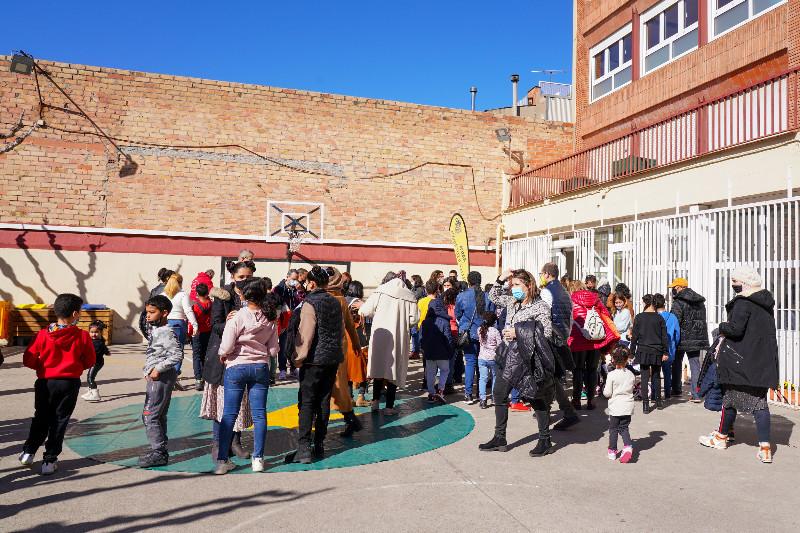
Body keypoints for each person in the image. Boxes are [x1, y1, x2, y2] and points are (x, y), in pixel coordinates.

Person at [699, 266, 779, 463]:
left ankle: (721, 438)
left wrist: (721, 326)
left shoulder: (743, 302)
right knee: (760, 405)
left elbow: (736, 329)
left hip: (740, 361)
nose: (732, 284)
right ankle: (765, 448)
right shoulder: (764, 303)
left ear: (744, 282)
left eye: (734, 281)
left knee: (729, 401)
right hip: (760, 363)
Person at [480, 268, 556, 456]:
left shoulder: (540, 307)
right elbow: (493, 296)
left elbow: (546, 333)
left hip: (527, 359)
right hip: (508, 355)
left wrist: (518, 333)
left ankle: (545, 440)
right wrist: (501, 278)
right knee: (499, 394)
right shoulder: (513, 302)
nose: (512, 288)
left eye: (516, 284)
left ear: (528, 285)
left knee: (534, 398)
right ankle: (499, 437)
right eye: (511, 284)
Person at [19, 294, 95, 475]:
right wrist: (76, 367)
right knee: (59, 421)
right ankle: (50, 460)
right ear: (75, 314)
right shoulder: (82, 336)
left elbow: (28, 358)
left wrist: (42, 367)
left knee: (41, 417)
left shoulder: (42, 334)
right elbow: (90, 360)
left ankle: (28, 452)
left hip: (45, 382)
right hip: (69, 383)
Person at [213, 278, 278, 475]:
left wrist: (223, 354)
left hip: (237, 366)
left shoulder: (238, 316)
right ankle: (258, 459)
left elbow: (226, 345)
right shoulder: (270, 317)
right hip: (260, 367)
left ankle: (222, 461)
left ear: (243, 295)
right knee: (259, 414)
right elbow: (273, 350)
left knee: (229, 414)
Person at [201, 260, 257, 463]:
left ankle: (235, 442)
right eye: (241, 277)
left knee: (238, 402)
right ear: (233, 277)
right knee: (221, 404)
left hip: (244, 356)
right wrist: (231, 322)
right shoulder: (223, 296)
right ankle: (218, 443)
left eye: (248, 277)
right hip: (222, 358)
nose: (245, 280)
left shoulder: (255, 296)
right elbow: (215, 325)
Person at [289, 266, 344, 463]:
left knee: (307, 402)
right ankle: (319, 443)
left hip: (313, 360)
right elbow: (340, 331)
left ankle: (304, 448)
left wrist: (298, 358)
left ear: (311, 283)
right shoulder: (336, 302)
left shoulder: (309, 303)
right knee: (323, 400)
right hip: (332, 358)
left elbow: (306, 335)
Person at [358, 271, 419, 415]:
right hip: (398, 336)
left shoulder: (380, 291)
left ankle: (375, 402)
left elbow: (364, 311)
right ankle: (389, 407)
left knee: (378, 368)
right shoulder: (409, 296)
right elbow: (414, 319)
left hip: (380, 334)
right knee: (393, 371)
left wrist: (378, 314)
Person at [138, 295, 183, 468]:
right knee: (158, 414)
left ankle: (159, 452)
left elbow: (176, 354)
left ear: (164, 313)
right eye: (147, 312)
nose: (148, 316)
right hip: (157, 377)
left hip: (161, 378)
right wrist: (148, 369)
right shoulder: (158, 329)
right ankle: (160, 448)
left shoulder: (166, 332)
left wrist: (158, 369)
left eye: (152, 312)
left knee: (150, 415)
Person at [325, 267, 366, 438]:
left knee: (325, 390)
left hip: (324, 350)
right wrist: (356, 344)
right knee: (338, 388)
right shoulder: (340, 299)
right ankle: (350, 420)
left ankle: (318, 433)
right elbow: (350, 325)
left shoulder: (320, 298)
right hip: (337, 349)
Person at [539, 262, 579, 430]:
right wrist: (565, 335)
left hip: (549, 338)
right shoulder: (565, 292)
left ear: (547, 274)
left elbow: (542, 317)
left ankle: (550, 413)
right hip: (561, 337)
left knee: (547, 377)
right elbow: (570, 318)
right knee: (552, 377)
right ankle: (564, 412)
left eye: (542, 273)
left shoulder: (546, 292)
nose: (541, 276)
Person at [568, 281, 619, 410]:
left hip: (578, 339)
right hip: (595, 339)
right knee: (591, 370)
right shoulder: (595, 299)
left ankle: (576, 400)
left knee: (578, 370)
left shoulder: (571, 300)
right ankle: (591, 400)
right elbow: (606, 314)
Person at [455, 271, 495, 404]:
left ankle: (468, 394)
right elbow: (492, 315)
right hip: (484, 332)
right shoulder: (487, 296)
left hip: (468, 332)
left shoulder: (461, 296)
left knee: (470, 362)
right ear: (480, 281)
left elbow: (458, 314)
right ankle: (480, 393)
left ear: (469, 281)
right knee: (481, 363)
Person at [668, 277, 709, 401]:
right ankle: (696, 394)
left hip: (681, 338)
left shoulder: (678, 302)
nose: (673, 290)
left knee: (676, 363)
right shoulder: (699, 301)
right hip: (696, 337)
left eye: (674, 288)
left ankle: (676, 390)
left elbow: (674, 321)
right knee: (695, 364)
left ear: (680, 287)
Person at [631, 294, 669, 413]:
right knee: (656, 376)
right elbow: (664, 337)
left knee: (644, 377)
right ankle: (658, 402)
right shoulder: (659, 318)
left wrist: (632, 352)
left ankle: (645, 405)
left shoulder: (639, 317)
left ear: (645, 303)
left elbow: (634, 336)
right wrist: (665, 352)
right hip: (656, 350)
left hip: (643, 349)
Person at [162, 273, 199, 390]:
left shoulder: (163, 295)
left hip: (165, 323)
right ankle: (173, 377)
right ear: (180, 283)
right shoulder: (182, 295)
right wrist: (195, 324)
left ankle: (166, 376)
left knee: (167, 351)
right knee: (178, 352)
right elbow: (188, 310)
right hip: (178, 324)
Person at [421, 280, 454, 404]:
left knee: (430, 373)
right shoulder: (445, 321)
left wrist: (423, 349)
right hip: (442, 352)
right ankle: (440, 390)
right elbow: (448, 338)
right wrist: (450, 350)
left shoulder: (425, 322)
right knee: (445, 371)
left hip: (429, 352)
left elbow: (421, 338)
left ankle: (431, 393)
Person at [603, 346, 635, 463]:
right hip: (628, 406)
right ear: (627, 359)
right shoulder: (631, 374)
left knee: (613, 429)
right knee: (624, 428)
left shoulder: (611, 375)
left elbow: (607, 393)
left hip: (615, 407)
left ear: (613, 359)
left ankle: (612, 451)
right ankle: (627, 446)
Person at [345, 280, 371, 407]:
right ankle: (361, 397)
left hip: (345, 339)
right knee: (364, 368)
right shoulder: (360, 303)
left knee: (348, 370)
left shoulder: (343, 301)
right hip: (359, 339)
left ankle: (350, 398)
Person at [654, 293, 680, 400]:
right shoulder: (672, 317)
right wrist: (674, 344)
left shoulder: (653, 317)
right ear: (664, 303)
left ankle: (655, 395)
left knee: (655, 372)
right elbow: (677, 334)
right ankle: (668, 394)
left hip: (655, 348)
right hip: (669, 348)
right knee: (667, 372)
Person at [139, 268, 174, 340]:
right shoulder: (171, 290)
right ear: (168, 278)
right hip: (164, 320)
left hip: (155, 322)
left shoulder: (155, 290)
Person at [81, 320, 110, 402]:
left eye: (96, 332)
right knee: (90, 376)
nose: (94, 334)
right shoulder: (98, 340)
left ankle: (95, 394)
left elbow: (94, 353)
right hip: (96, 362)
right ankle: (90, 391)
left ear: (100, 332)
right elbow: (105, 348)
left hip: (96, 363)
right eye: (92, 332)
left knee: (90, 378)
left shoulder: (98, 343)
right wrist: (107, 352)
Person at [191, 283, 213, 391]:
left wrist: (189, 333)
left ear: (197, 293)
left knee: (197, 356)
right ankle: (205, 377)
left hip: (197, 332)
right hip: (208, 332)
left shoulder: (195, 306)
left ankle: (198, 379)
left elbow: (192, 321)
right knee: (205, 355)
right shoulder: (211, 304)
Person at [477, 311, 501, 409]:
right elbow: (499, 345)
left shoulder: (479, 329)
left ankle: (482, 399)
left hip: (482, 357)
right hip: (493, 358)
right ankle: (494, 397)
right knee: (495, 377)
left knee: (483, 378)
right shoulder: (495, 331)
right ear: (494, 322)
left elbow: (480, 341)